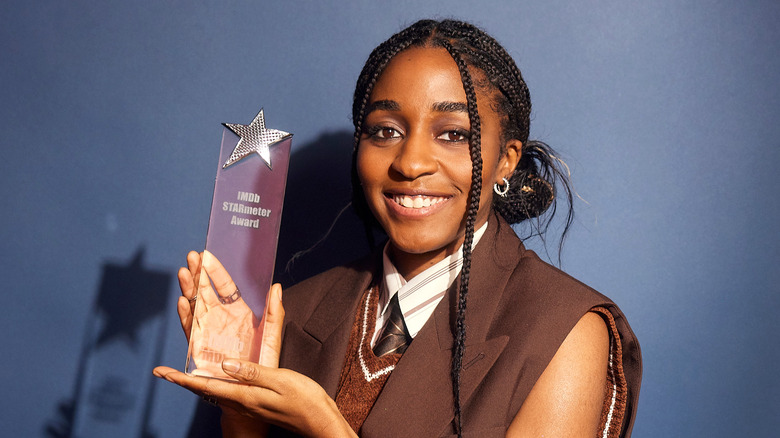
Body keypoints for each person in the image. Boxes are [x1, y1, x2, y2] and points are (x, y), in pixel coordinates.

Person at [154, 19, 642, 438]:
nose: (410, 162)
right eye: (385, 131)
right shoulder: (295, 312)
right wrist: (242, 406)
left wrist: (326, 427)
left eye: (453, 135)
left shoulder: (566, 330)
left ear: (505, 161)